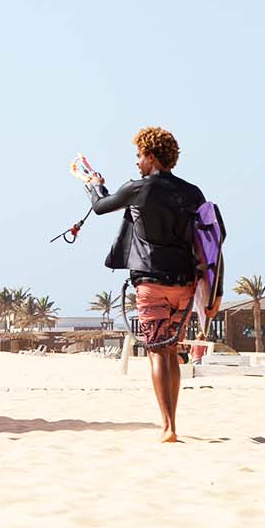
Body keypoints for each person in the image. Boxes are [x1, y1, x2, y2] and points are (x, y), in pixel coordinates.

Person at [88, 127, 207, 443]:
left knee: (156, 353)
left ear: (151, 156)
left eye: (139, 156)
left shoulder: (139, 188)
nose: (137, 162)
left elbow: (101, 207)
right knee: (171, 352)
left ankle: (167, 426)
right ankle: (172, 422)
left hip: (151, 282)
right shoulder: (193, 193)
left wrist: (94, 185)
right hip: (185, 284)